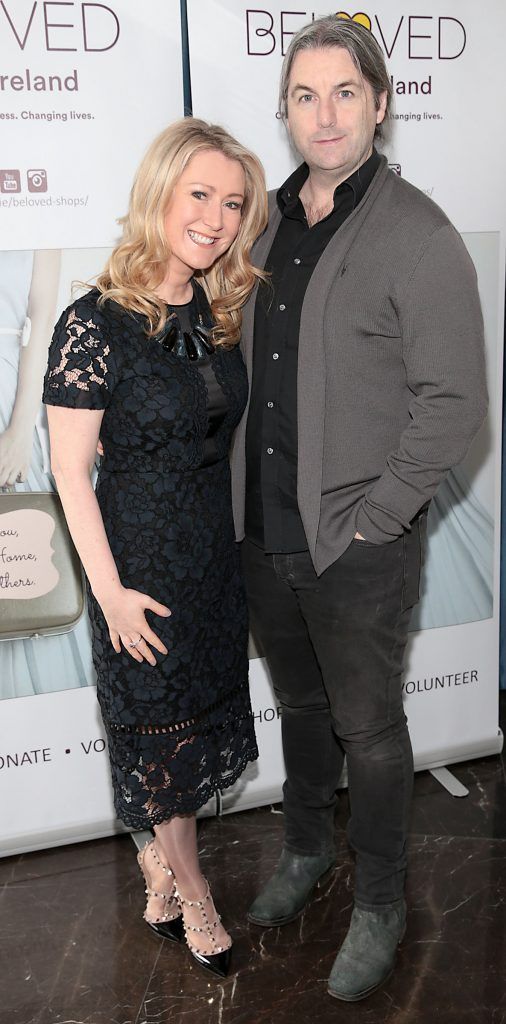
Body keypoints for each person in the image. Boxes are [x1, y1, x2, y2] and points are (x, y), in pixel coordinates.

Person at [229, 17, 488, 1001]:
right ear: (287, 111)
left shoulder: (416, 235)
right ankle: (304, 853)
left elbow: (455, 400)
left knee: (370, 732)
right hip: (263, 530)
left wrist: (378, 516)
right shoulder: (269, 222)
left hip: (356, 547)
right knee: (298, 707)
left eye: (344, 92)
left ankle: (379, 899)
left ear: (379, 104)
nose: (324, 113)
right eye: (304, 95)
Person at [43, 118, 267, 978]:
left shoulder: (222, 306)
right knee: (166, 748)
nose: (215, 217)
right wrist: (110, 595)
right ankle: (195, 890)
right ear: (160, 195)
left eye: (233, 202)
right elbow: (69, 473)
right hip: (137, 576)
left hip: (211, 565)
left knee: (193, 734)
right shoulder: (91, 323)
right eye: (199, 193)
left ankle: (159, 870)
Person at [0, 249, 93, 697]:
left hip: (14, 390)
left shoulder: (38, 213)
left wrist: (19, 430)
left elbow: (42, 330)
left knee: (33, 549)